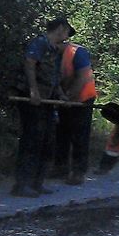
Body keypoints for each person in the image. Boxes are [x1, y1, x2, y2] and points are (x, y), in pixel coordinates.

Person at [11, 16, 74, 197]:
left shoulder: (55, 51)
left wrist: (61, 95)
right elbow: (29, 65)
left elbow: (53, 77)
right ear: (61, 28)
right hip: (32, 100)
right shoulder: (39, 43)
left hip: (47, 100)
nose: (67, 35)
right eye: (67, 31)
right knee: (32, 140)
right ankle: (22, 184)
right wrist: (33, 91)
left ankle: (37, 182)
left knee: (47, 141)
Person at [52, 40, 97, 185]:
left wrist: (70, 97)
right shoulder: (53, 54)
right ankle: (60, 167)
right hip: (66, 97)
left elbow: (82, 78)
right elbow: (55, 79)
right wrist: (61, 96)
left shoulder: (77, 52)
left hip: (83, 98)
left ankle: (79, 172)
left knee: (80, 135)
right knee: (62, 132)